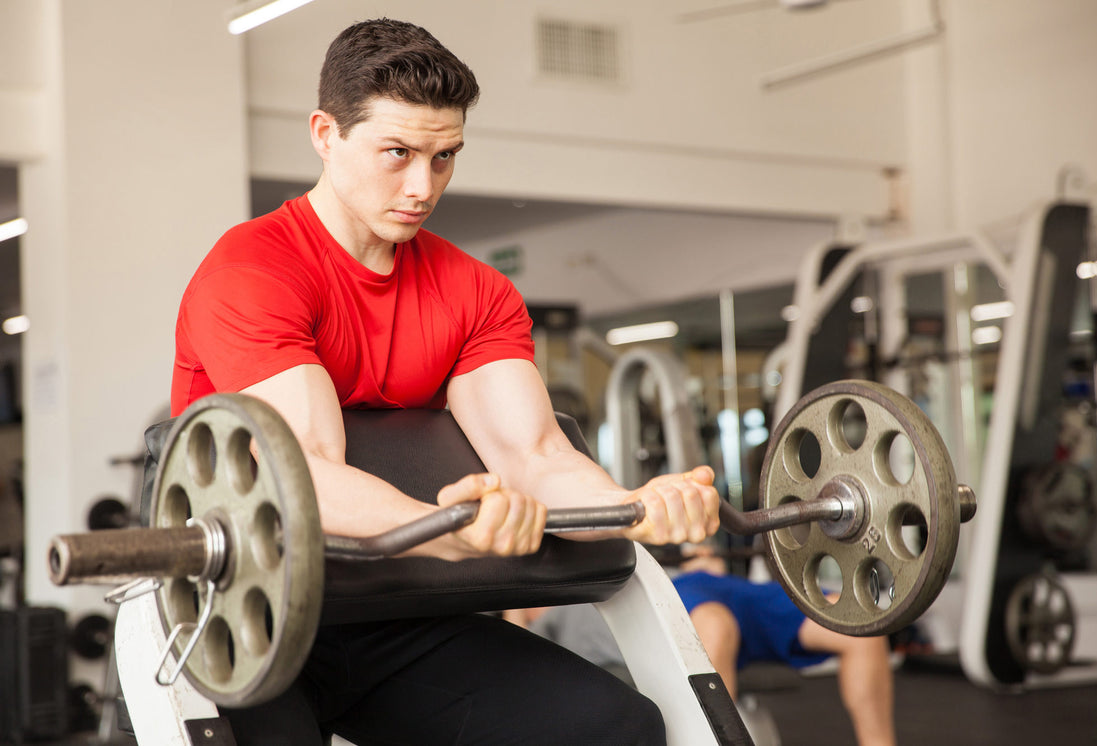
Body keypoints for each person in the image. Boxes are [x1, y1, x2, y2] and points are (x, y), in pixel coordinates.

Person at [171, 17, 720, 746]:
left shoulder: (477, 291)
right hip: (249, 615)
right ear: (325, 134)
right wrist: (455, 533)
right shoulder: (253, 271)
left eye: (444, 157)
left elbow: (534, 457)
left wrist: (636, 507)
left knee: (614, 727)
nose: (422, 186)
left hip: (398, 615)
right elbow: (303, 470)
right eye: (396, 153)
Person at [509, 550, 897, 746]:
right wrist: (517, 602)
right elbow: (518, 658)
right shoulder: (544, 621)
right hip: (676, 617)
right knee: (715, 624)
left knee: (859, 628)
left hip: (708, 587)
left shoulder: (590, 576)